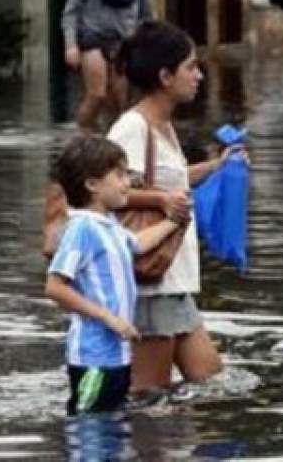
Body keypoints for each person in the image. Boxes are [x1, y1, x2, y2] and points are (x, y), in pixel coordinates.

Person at [107, 20, 235, 397]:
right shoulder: (131, 128)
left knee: (210, 380)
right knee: (149, 395)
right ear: (165, 76)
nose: (198, 75)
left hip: (174, 278)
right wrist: (162, 200)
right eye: (191, 67)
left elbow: (169, 180)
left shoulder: (162, 125)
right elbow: (108, 194)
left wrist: (216, 168)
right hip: (152, 283)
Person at [45, 134, 183, 415]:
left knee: (110, 426)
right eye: (119, 175)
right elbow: (55, 286)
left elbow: (138, 243)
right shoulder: (82, 229)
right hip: (93, 357)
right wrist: (109, 318)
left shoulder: (108, 225)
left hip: (115, 354)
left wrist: (175, 221)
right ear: (92, 185)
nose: (127, 183)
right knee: (89, 428)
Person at [61, 0, 154, 131]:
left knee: (119, 102)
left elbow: (146, 14)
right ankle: (81, 136)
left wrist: (146, 47)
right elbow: (72, 10)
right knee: (97, 94)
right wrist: (71, 44)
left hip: (123, 43)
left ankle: (110, 144)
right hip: (93, 39)